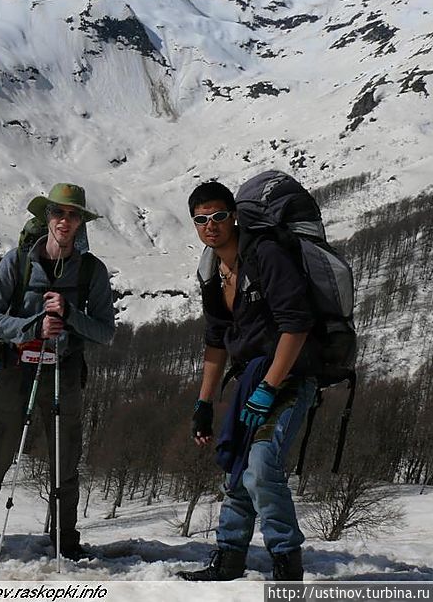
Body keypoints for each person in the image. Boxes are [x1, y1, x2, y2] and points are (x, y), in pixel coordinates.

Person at [0, 182, 115, 561]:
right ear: (46, 217)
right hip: (17, 367)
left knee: (64, 463)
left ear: (81, 222)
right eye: (58, 213)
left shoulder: (91, 272)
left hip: (63, 371)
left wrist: (70, 315)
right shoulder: (17, 262)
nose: (64, 221)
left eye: (72, 215)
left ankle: (64, 544)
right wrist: (33, 328)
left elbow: (106, 331)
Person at [176, 180, 317, 581]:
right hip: (249, 380)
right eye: (201, 219)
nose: (211, 226)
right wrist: (203, 404)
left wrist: (268, 388)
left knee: (259, 465)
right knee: (237, 468)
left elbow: (297, 325)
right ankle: (230, 557)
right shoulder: (212, 270)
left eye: (218, 216)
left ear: (234, 215)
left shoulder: (266, 255)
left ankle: (287, 563)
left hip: (289, 376)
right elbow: (216, 340)